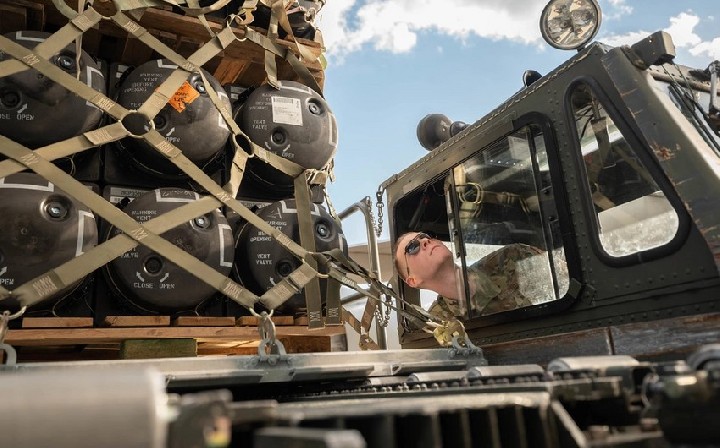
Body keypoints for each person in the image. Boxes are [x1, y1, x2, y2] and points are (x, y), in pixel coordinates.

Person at [394, 231, 556, 320]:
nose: (425, 241)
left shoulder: (513, 258)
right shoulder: (440, 324)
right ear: (413, 280)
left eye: (425, 236)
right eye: (412, 247)